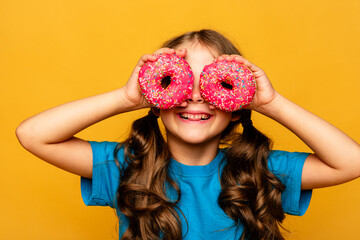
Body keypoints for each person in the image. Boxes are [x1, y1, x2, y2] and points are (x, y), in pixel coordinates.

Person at [15, 29, 360, 240]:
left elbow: (351, 162)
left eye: (213, 85)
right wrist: (125, 97)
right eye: (177, 81)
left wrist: (271, 103)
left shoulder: (262, 171)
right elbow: (32, 134)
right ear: (154, 99)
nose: (195, 95)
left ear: (238, 105)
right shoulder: (124, 168)